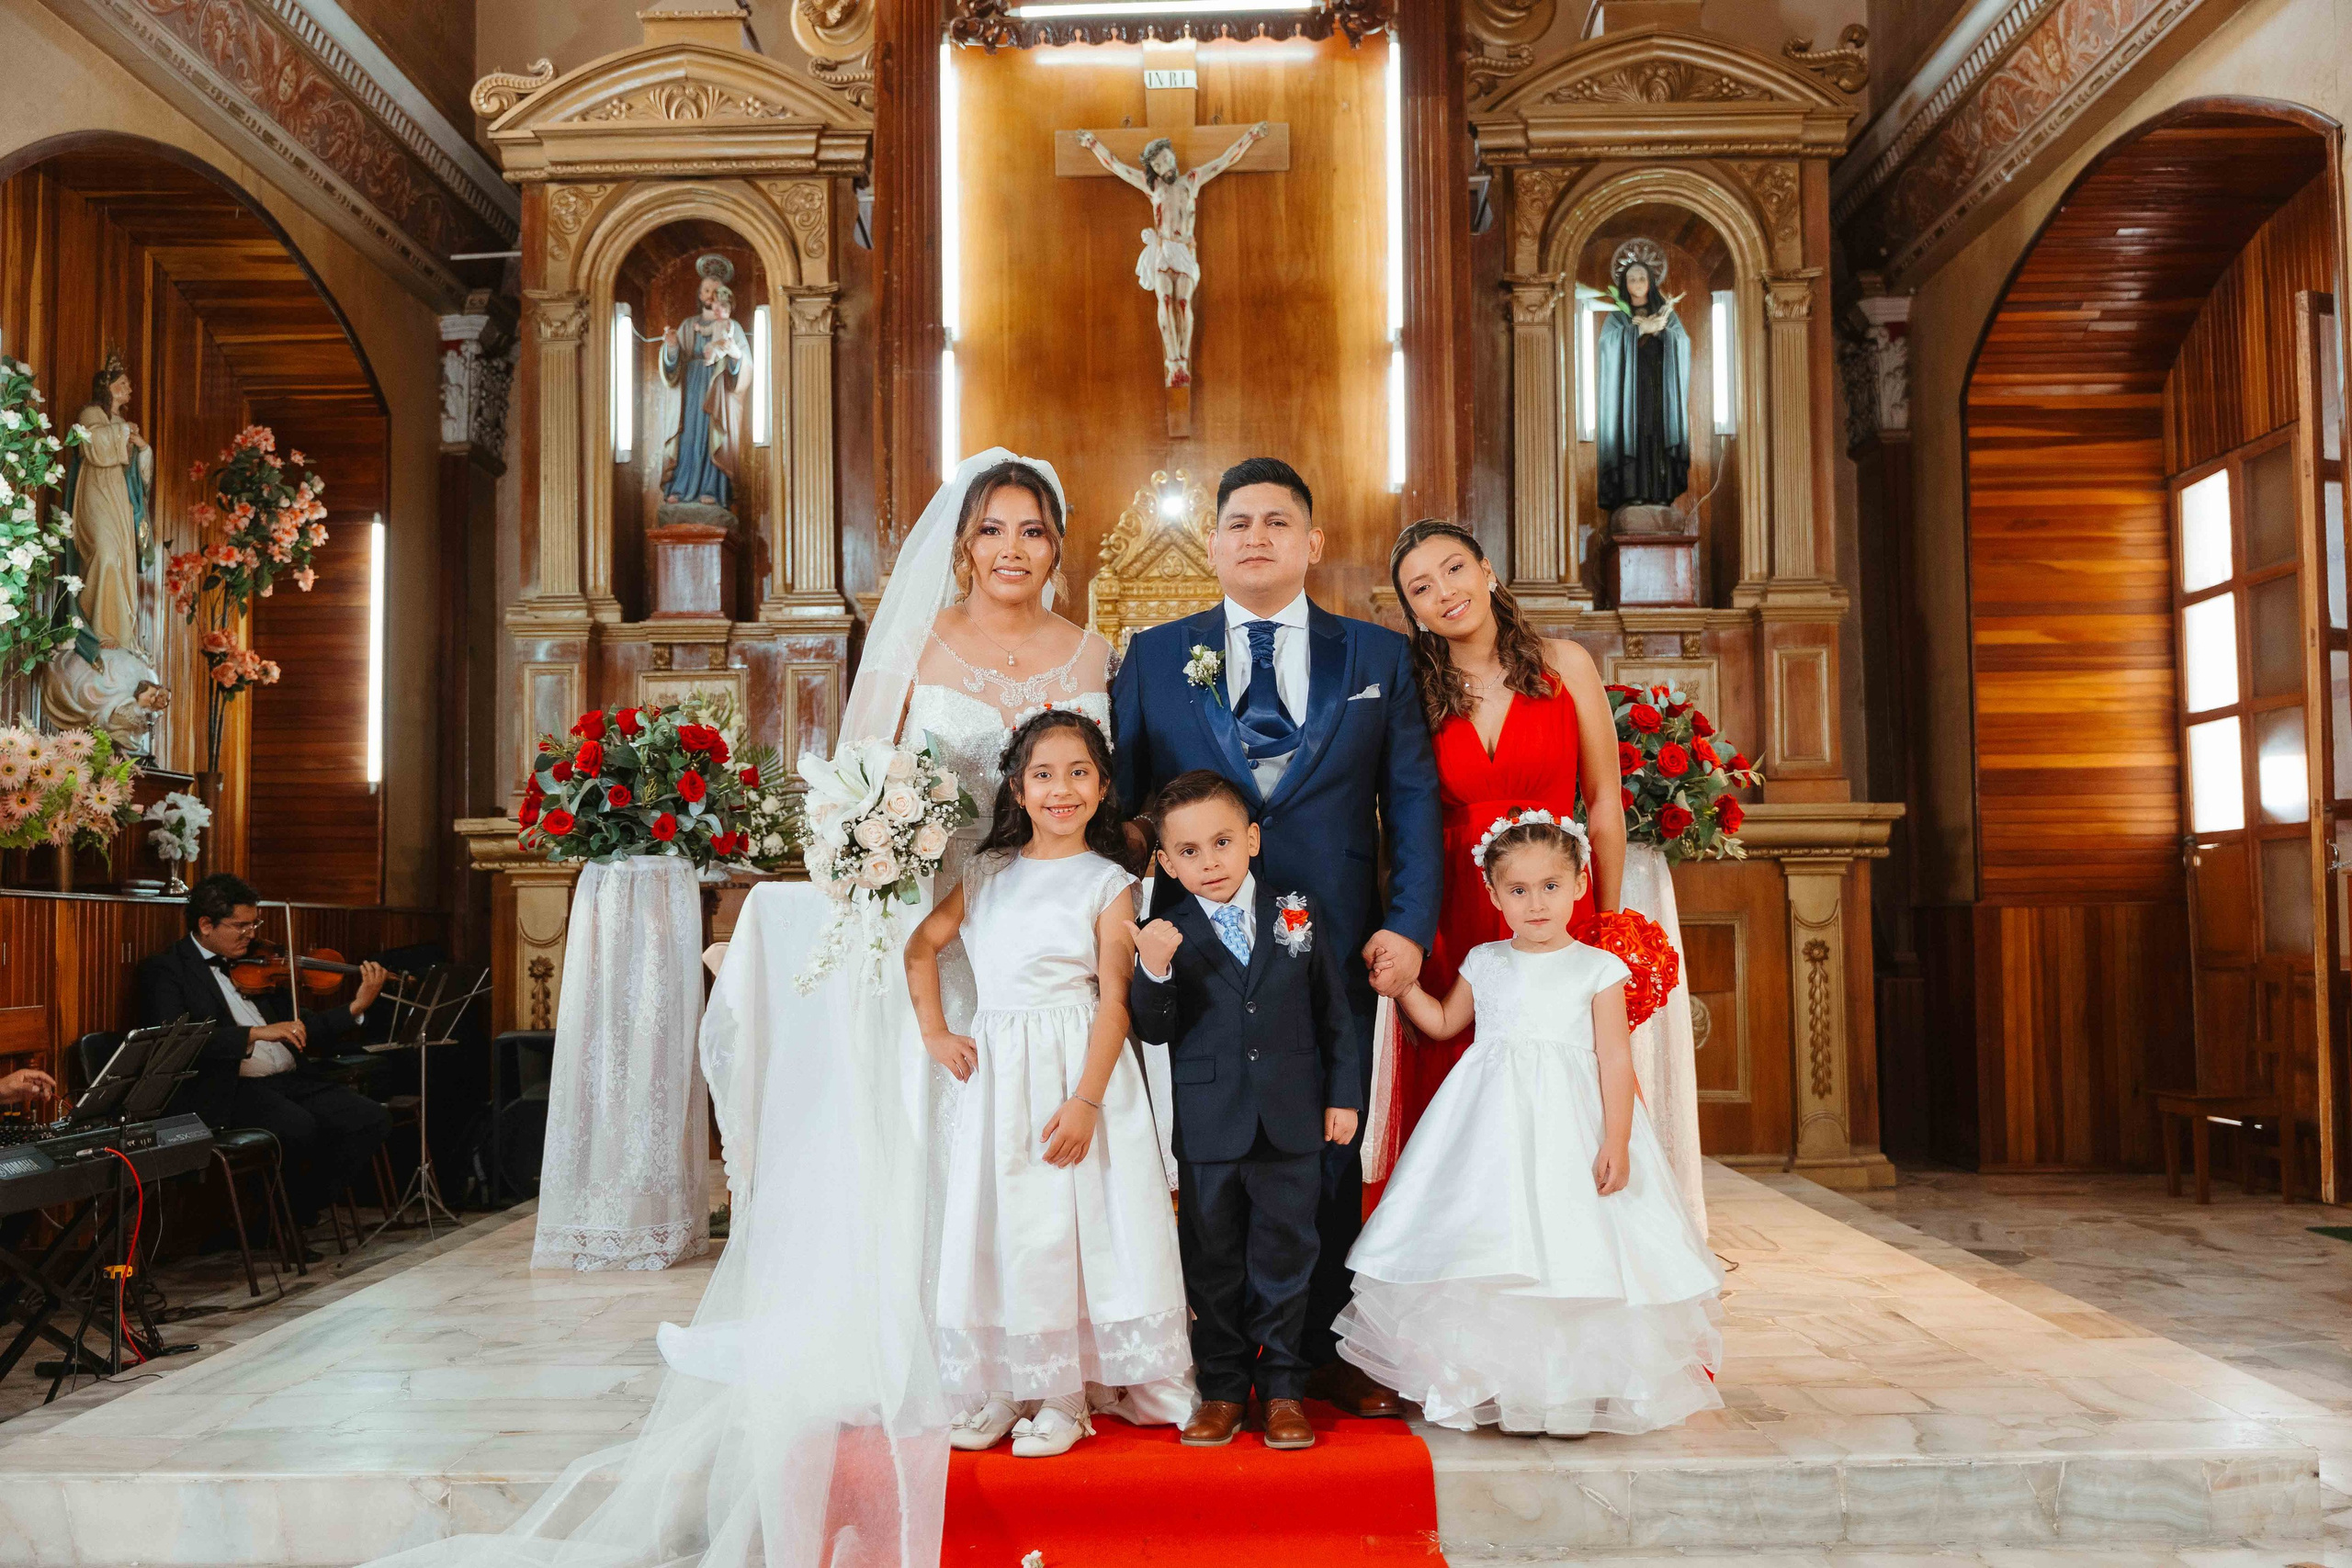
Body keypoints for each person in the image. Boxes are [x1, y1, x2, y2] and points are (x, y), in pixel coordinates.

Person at [1113, 456, 1442, 1418]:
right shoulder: (1155, 655)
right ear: (1212, 543)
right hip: (1204, 948)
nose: (1256, 536)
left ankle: (1318, 1345)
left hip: (1336, 940)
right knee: (1213, 1160)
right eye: (1238, 522)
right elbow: (1130, 811)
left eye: (1276, 521)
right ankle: (1219, 1356)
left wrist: (1408, 926)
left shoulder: (1377, 659)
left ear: (1313, 542)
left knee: (1322, 1145)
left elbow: (1411, 808)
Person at [1337, 814, 1722, 1436]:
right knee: (1491, 1248)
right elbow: (1441, 1022)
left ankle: (1567, 1392)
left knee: (1572, 1252)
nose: (1535, 902)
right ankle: (1493, 1384)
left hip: (1574, 1129)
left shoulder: (1597, 968)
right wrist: (1403, 987)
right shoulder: (1485, 961)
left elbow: (1615, 1058)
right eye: (1517, 890)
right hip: (1490, 1133)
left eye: (1550, 886)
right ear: (1493, 895)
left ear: (1579, 883)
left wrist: (1617, 1140)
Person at [904, 709, 1193, 1458]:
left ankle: (1066, 1393)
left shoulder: (1108, 883)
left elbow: (1115, 1002)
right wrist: (936, 1031)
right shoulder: (984, 875)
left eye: (1078, 773)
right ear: (1017, 787)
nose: (1060, 789)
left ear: (1101, 787)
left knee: (1066, 1227)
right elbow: (920, 946)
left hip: (1075, 1070)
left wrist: (1087, 1099)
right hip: (1001, 1075)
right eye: (1044, 774)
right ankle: (1006, 1383)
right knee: (1001, 1225)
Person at [1376, 518, 1626, 1185]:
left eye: (1455, 569)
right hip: (1457, 903)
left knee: (1566, 1068)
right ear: (1414, 613)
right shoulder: (1415, 692)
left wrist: (1605, 921)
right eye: (1421, 587)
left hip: (1554, 896)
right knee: (1457, 1073)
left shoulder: (1566, 663)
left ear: (1487, 570)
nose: (1445, 592)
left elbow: (1602, 802)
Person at [1129, 770, 1359, 1450]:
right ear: (1167, 862)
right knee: (1214, 1262)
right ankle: (1225, 1388)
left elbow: (1333, 1013)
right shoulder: (1164, 929)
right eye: (1190, 852)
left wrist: (1342, 1094)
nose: (1210, 862)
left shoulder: (1296, 908)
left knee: (1289, 1255)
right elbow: (1154, 1028)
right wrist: (1155, 971)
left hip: (1291, 1118)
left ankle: (1285, 1388)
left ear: (1252, 839)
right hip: (1210, 1127)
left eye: (1223, 842)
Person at [135, 874, 392, 1233]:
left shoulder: (260, 962)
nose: (251, 934)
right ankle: (278, 1225)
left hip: (288, 1080)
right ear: (205, 925)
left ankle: (299, 1210)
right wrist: (253, 1034)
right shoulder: (166, 970)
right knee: (299, 1129)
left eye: (254, 923)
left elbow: (303, 1026)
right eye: (240, 926)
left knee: (368, 1117)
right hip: (229, 1088)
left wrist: (355, 1007)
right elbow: (174, 1042)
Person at [64, 350, 154, 653]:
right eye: (124, 383)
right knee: (103, 553)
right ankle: (97, 627)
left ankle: (119, 633)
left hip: (119, 495)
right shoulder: (90, 414)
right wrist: (122, 432)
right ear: (109, 386)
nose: (129, 388)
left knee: (121, 558)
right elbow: (92, 444)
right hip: (95, 489)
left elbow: (138, 474)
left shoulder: (121, 422)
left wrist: (143, 448)